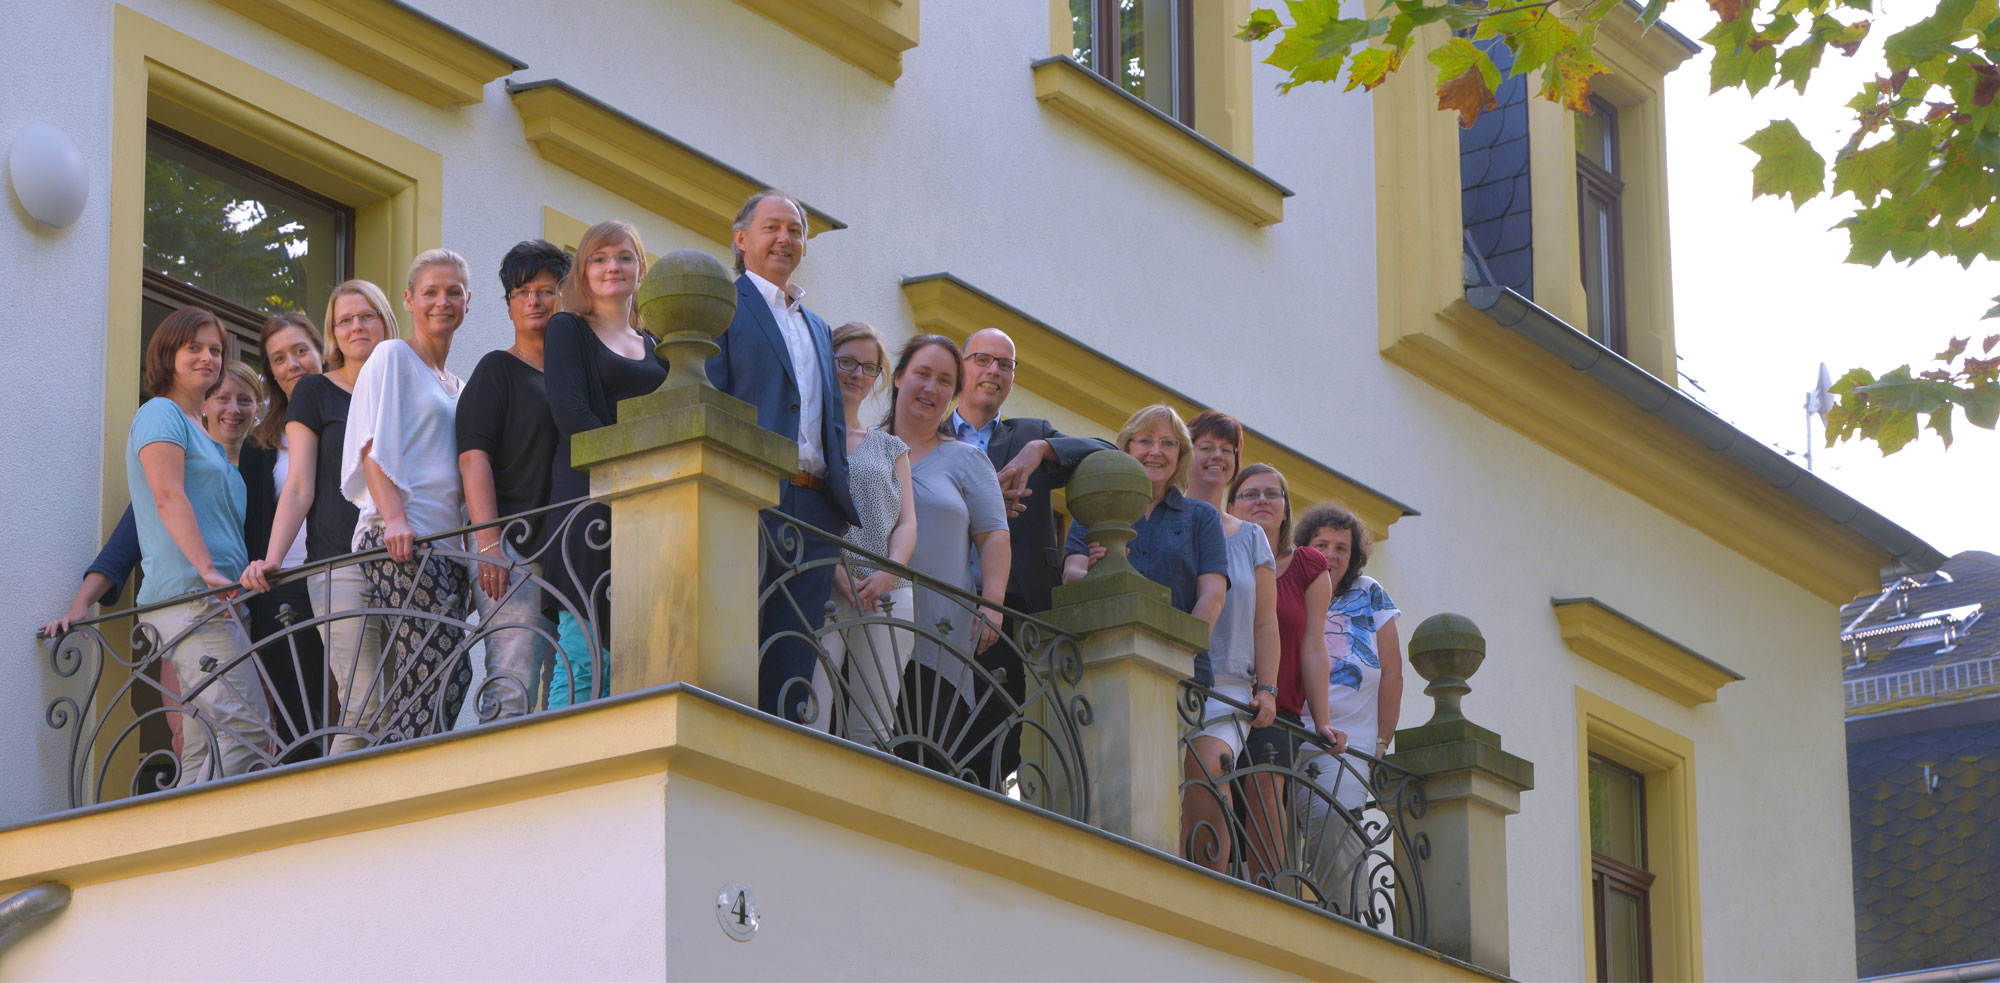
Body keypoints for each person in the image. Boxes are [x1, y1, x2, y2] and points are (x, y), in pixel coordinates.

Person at [706, 190, 858, 723]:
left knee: (795, 652)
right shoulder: (722, 306)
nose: (785, 239)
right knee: (737, 636)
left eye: (795, 230)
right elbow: (714, 399)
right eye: (772, 227)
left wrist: (839, 510)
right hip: (753, 493)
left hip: (816, 506)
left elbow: (830, 423)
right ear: (741, 238)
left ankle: (778, 760)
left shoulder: (818, 326)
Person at [947, 327, 1112, 789]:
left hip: (1015, 613)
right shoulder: (929, 432)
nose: (993, 370)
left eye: (1005, 364)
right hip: (940, 596)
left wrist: (1040, 451)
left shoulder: (1031, 435)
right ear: (962, 366)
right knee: (933, 722)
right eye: (982, 359)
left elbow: (1110, 453)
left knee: (996, 739)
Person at [243, 281, 395, 755]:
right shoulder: (315, 393)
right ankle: (337, 817)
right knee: (361, 704)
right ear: (333, 333)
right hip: (335, 563)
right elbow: (298, 488)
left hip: (405, 557)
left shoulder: (403, 379)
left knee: (400, 702)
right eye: (344, 320)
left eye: (365, 316)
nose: (356, 327)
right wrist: (269, 558)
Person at [126, 306, 274, 785]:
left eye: (216, 349)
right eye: (195, 347)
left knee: (202, 742)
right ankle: (210, 838)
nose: (208, 357)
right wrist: (209, 571)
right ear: (168, 354)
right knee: (249, 730)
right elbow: (167, 496)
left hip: (219, 601)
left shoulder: (207, 438)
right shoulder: (161, 413)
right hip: (193, 597)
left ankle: (180, 839)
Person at [342, 250, 473, 741]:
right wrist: (394, 518)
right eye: (431, 292)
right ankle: (405, 769)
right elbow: (371, 446)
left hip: (445, 546)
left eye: (453, 291)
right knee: (443, 666)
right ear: (409, 300)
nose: (442, 301)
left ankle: (403, 765)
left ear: (468, 300)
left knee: (437, 672)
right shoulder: (392, 356)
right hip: (398, 536)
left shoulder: (458, 386)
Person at [544, 220, 666, 707]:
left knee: (637, 660)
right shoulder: (568, 328)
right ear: (583, 270)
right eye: (598, 258)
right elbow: (573, 415)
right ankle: (557, 774)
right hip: (589, 506)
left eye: (624, 257)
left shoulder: (656, 345)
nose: (612, 267)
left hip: (651, 512)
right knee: (583, 657)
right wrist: (634, 475)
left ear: (640, 269)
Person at [883, 334, 1010, 780]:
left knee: (925, 767)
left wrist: (992, 602)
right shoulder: (860, 445)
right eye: (922, 373)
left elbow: (994, 535)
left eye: (944, 381)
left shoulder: (967, 460)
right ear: (899, 377)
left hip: (939, 634)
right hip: (864, 621)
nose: (931, 388)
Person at [457, 240, 570, 720]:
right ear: (508, 304)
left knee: (565, 685)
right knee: (514, 677)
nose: (535, 302)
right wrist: (488, 544)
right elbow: (472, 457)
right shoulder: (497, 370)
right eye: (522, 292)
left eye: (546, 290)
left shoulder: (576, 379)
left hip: (569, 551)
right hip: (512, 548)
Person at [1228, 463, 1348, 888]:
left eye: (1272, 494)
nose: (1262, 500)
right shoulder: (1217, 550)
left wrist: (1324, 720)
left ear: (1285, 510)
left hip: (1278, 708)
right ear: (1231, 507)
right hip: (1221, 691)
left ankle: (1274, 895)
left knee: (1264, 787)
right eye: (1250, 493)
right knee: (1215, 792)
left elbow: (1314, 645)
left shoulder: (1308, 565)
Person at [1179, 410, 1279, 874]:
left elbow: (1265, 622)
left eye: (1228, 449)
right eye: (1207, 446)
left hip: (1229, 687)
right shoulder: (1161, 518)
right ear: (1187, 451)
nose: (1218, 456)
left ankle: (1208, 887)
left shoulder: (1253, 537)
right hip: (1168, 673)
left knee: (1208, 769)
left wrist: (1269, 688)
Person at [808, 322, 918, 746]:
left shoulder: (891, 446)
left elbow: (907, 521)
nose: (856, 374)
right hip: (825, 581)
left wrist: (889, 573)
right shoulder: (810, 437)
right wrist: (838, 571)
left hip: (888, 589)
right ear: (826, 361)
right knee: (812, 707)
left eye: (869, 368)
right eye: (847, 362)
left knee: (875, 721)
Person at [1293, 501, 1404, 916]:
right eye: (1321, 544)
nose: (1331, 554)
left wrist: (1381, 741)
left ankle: (1345, 918)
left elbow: (1392, 672)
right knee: (1277, 832)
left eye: (1342, 547)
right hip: (1293, 728)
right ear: (1304, 547)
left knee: (1333, 822)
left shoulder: (1369, 592)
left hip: (1349, 743)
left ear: (1354, 554)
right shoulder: (1291, 587)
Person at [1060, 405, 1228, 668]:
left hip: (1183, 670)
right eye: (1145, 440)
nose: (1156, 451)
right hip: (1104, 654)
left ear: (1181, 454)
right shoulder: (1097, 503)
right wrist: (1094, 577)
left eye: (1168, 443)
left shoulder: (1202, 516)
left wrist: (1181, 654)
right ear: (1127, 447)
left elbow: (1213, 596)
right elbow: (1071, 575)